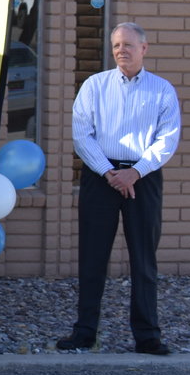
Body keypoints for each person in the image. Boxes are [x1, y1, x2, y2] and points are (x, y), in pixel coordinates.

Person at [59, 22, 181, 355]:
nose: (121, 50)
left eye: (128, 44)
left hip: (144, 179)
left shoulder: (162, 90)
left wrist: (135, 172)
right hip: (101, 177)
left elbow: (167, 140)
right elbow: (82, 135)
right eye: (115, 45)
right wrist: (110, 172)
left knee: (144, 258)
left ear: (144, 48)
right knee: (92, 256)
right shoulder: (94, 86)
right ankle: (84, 332)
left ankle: (147, 336)